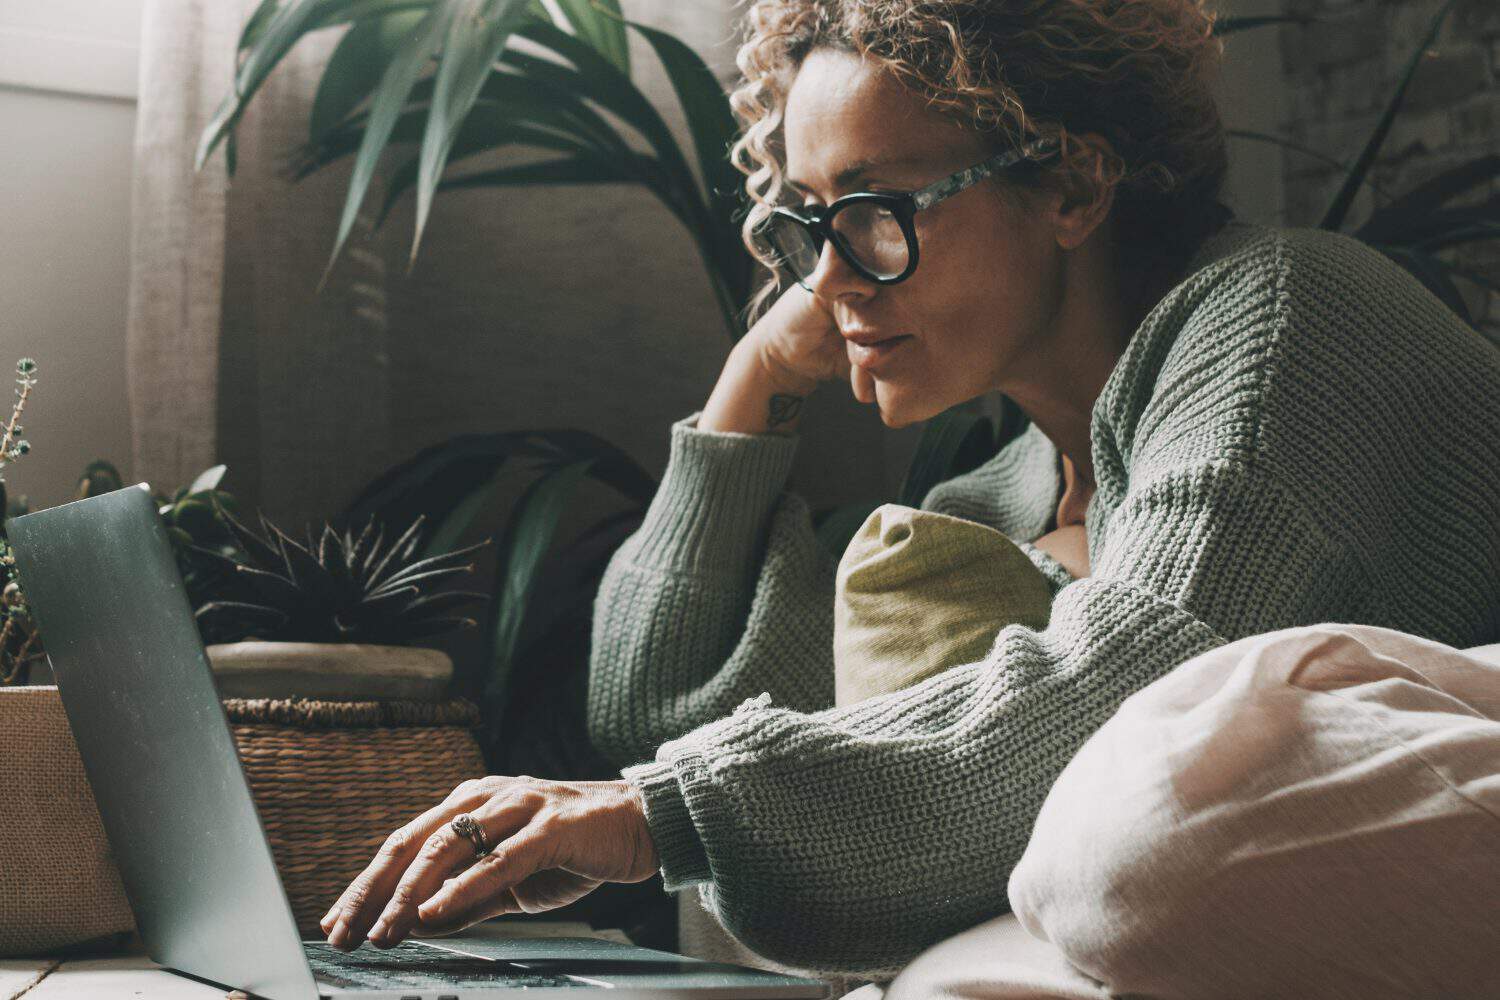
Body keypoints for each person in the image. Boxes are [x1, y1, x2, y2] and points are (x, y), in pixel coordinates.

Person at [317, 0, 1500, 992]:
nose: (831, 275)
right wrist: (759, 378)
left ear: (1075, 185)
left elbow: (1150, 689)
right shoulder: (990, 490)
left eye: (876, 211)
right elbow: (649, 713)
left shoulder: (1284, 313)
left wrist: (657, 812)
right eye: (805, 223)